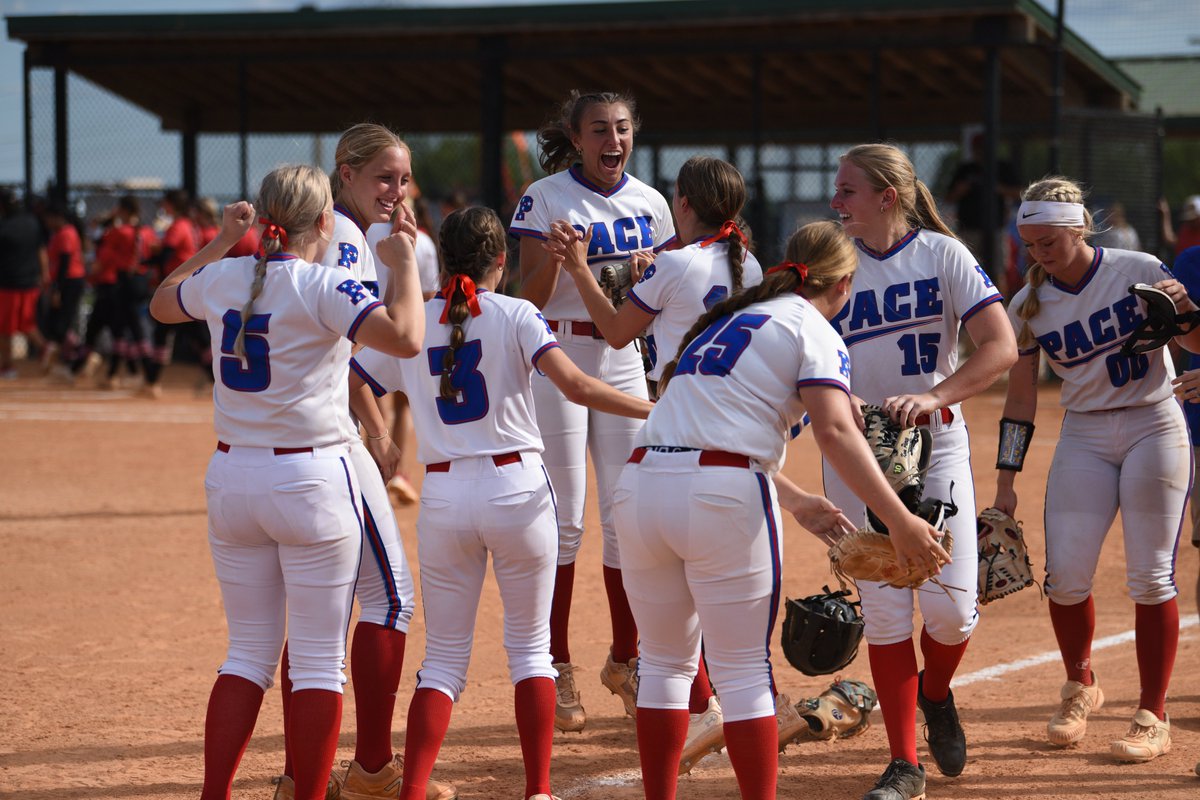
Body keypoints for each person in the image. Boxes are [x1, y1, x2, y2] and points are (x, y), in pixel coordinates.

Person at [599, 220, 947, 800]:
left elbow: (708, 431)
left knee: (662, 667)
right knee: (742, 675)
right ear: (843, 285)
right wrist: (903, 520)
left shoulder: (731, 320)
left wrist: (795, 498)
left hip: (641, 486)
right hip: (721, 496)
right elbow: (835, 433)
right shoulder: (813, 327)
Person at [348, 206, 654, 800]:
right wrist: (657, 409)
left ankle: (412, 790)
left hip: (443, 492)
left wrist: (380, 435)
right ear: (501, 261)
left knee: (442, 663)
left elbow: (355, 375)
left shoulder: (414, 319)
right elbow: (578, 386)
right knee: (531, 652)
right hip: (516, 490)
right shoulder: (517, 314)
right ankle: (537, 789)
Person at [147, 163, 425, 800]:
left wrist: (223, 240)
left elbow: (163, 302)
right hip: (310, 479)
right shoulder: (322, 285)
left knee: (245, 654)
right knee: (319, 661)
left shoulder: (223, 276)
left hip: (231, 476)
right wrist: (404, 260)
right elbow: (407, 339)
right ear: (325, 222)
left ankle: (214, 794)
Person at [827, 143, 1018, 799]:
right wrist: (828, 392)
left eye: (847, 190)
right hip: (856, 453)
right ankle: (904, 763)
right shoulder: (832, 264)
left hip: (935, 447)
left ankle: (936, 693)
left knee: (953, 612)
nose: (835, 201)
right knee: (884, 615)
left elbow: (1002, 345)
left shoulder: (942, 254)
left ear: (887, 197)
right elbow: (789, 338)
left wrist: (937, 395)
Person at [273, 121, 454, 800]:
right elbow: (347, 343)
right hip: (331, 446)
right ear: (342, 174)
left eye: (404, 178)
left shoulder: (321, 236)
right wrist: (377, 429)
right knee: (389, 601)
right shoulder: (347, 240)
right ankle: (372, 770)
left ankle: (300, 773)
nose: (397, 190)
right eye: (383, 176)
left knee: (317, 619)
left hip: (285, 444)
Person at [997, 176, 1199, 766]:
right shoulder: (1027, 304)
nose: (1040, 254)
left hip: (1153, 422)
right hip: (1084, 431)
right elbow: (1020, 399)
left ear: (1080, 227)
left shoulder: (1137, 267)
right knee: (1065, 577)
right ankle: (1079, 684)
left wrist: (1187, 312)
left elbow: (1197, 339)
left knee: (1149, 577)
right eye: (1030, 244)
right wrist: (1007, 480)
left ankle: (1152, 714)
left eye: (1049, 241)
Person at [509, 90, 676, 731]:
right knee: (567, 520)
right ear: (576, 138)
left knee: (627, 515)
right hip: (560, 356)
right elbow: (527, 297)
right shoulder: (546, 196)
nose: (614, 140)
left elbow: (657, 293)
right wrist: (557, 263)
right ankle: (557, 665)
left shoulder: (652, 203)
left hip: (625, 356)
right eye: (600, 129)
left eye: (624, 128)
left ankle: (626, 659)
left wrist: (646, 275)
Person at [365, 194, 441, 508]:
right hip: (409, 327)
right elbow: (428, 294)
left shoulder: (367, 233)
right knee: (404, 404)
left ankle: (375, 472)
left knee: (371, 399)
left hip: (368, 323)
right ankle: (395, 472)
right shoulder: (423, 241)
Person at [944, 132, 1021, 291]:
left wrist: (997, 188)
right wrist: (963, 189)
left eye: (984, 149)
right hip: (969, 228)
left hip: (995, 228)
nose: (980, 153)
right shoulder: (966, 169)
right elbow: (949, 197)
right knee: (967, 270)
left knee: (998, 270)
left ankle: (1001, 308)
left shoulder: (1001, 167)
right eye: (977, 149)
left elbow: (1019, 192)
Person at [142, 188, 199, 398]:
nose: (162, 207)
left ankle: (152, 382)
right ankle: (151, 381)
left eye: (165, 203)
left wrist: (143, 263)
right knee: (188, 335)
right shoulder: (187, 224)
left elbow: (166, 255)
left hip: (178, 284)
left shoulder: (178, 225)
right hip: (186, 283)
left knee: (170, 333)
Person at [0, 188, 47, 379]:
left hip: (9, 283)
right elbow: (41, 250)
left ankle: (7, 366)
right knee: (25, 323)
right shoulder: (31, 222)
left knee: (5, 327)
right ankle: (47, 348)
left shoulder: (4, 226)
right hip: (30, 282)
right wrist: (45, 274)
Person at [40, 202, 86, 372]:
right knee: (58, 324)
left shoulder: (67, 233)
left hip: (70, 282)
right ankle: (72, 358)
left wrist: (57, 289)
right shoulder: (60, 233)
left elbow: (65, 263)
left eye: (49, 219)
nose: (47, 223)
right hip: (66, 282)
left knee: (61, 324)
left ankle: (78, 357)